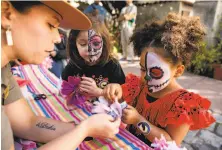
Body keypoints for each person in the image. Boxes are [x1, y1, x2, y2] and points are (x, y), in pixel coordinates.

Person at [1, 1, 121, 150]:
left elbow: (26, 123)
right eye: (51, 24)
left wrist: (88, 130)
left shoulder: (3, 70)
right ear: (6, 14)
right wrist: (83, 130)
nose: (58, 38)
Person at [104, 13, 215, 146]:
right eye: (143, 69)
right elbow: (122, 100)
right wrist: (116, 90)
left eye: (155, 72)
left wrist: (138, 120)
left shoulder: (183, 105)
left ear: (178, 71)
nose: (145, 77)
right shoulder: (139, 86)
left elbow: (170, 144)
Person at [62, 13, 125, 99]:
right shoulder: (73, 66)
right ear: (75, 45)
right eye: (83, 44)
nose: (90, 49)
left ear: (104, 43)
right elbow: (63, 89)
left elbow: (122, 96)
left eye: (95, 43)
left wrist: (99, 92)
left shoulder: (112, 65)